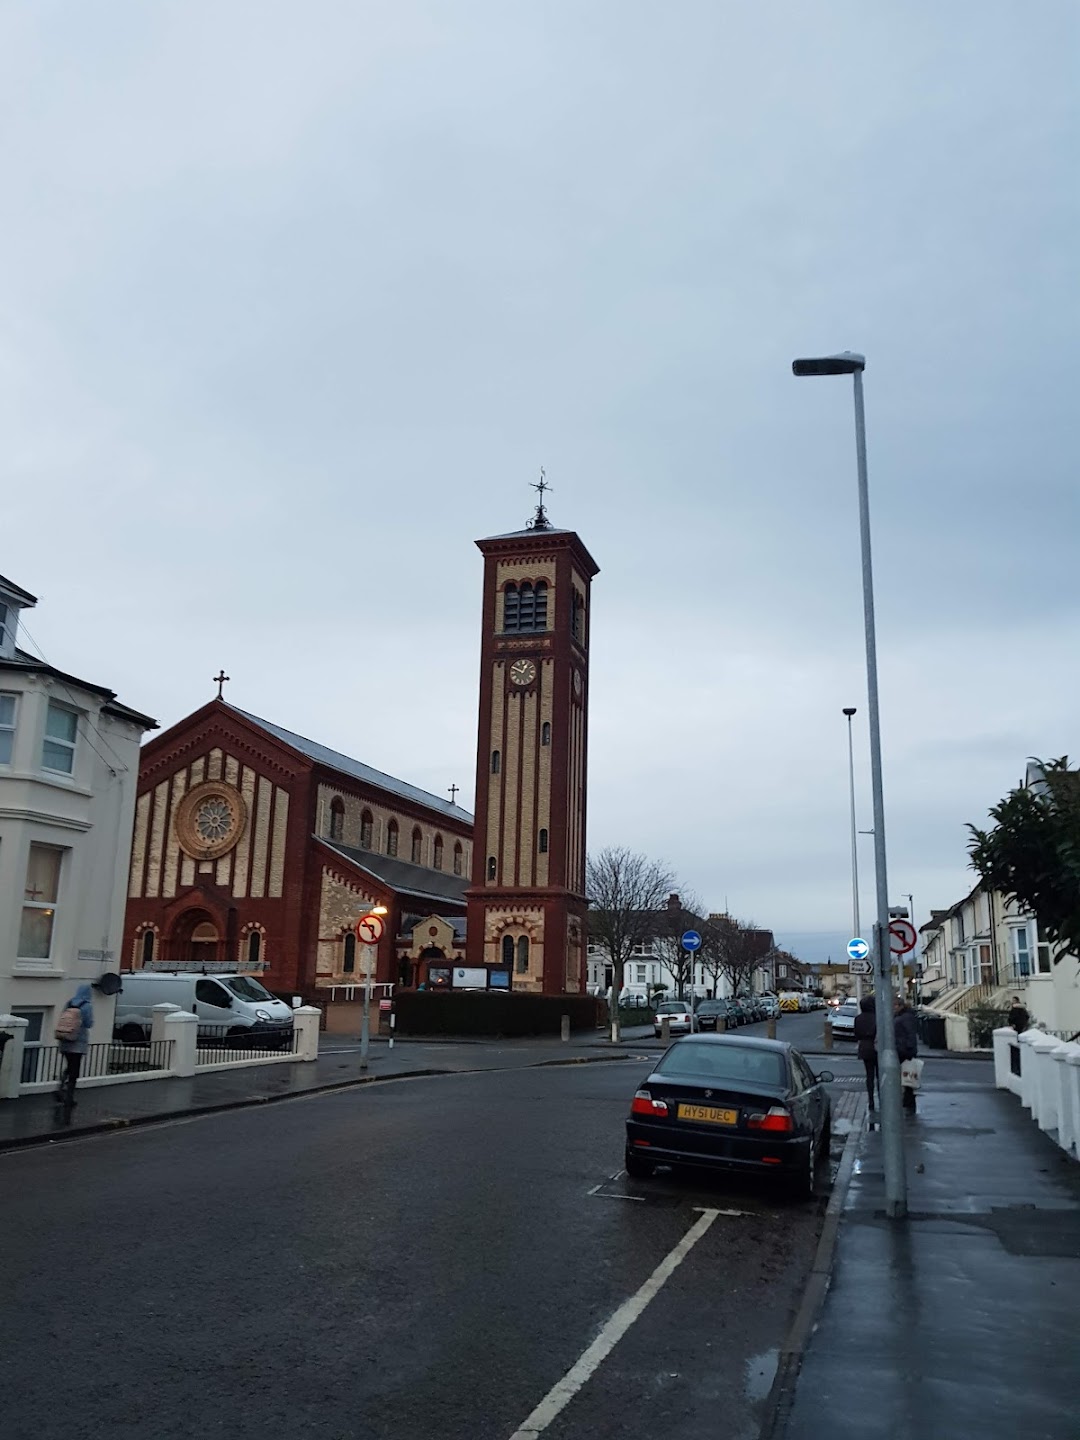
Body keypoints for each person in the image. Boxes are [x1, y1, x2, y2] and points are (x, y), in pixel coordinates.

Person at [55, 983, 94, 1105]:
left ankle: (61, 1087)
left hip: (65, 1039)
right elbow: (89, 1023)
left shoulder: (70, 1002)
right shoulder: (87, 1005)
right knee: (74, 1070)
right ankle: (69, 1097)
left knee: (69, 1066)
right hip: (78, 1041)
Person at [853, 994, 878, 1110]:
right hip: (877, 1046)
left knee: (869, 1075)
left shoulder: (858, 1019)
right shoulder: (877, 1017)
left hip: (864, 1047)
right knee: (880, 1075)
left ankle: (871, 1100)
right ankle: (882, 1097)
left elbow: (856, 1034)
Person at [894, 995, 919, 1112]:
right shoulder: (902, 1016)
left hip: (905, 1051)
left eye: (895, 1006)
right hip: (902, 1049)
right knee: (907, 1077)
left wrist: (909, 1048)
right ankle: (907, 1100)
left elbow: (910, 1034)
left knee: (908, 1077)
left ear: (900, 1006)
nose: (893, 1008)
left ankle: (909, 1101)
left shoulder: (906, 1017)